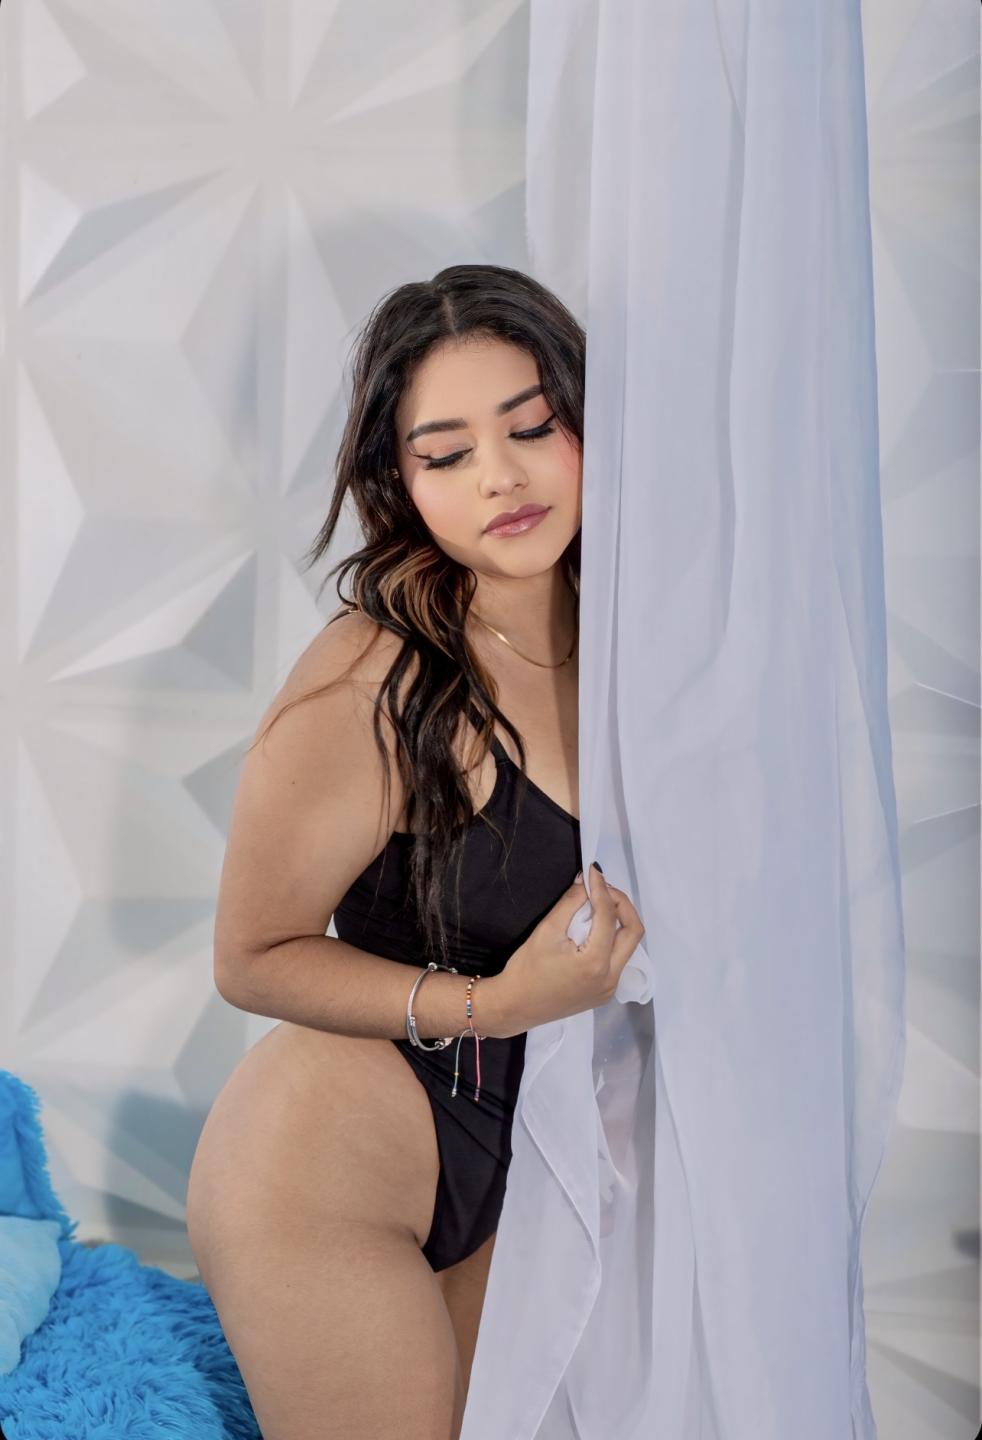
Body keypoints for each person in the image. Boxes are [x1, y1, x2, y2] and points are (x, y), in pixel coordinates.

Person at [184, 263, 645, 1440]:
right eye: (447, 454)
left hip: (530, 1145)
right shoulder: (375, 680)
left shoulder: (634, 635)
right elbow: (252, 956)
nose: (501, 476)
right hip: (330, 1166)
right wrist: (495, 1004)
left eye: (532, 428)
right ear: (400, 482)